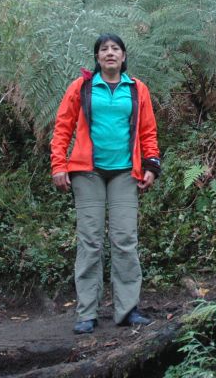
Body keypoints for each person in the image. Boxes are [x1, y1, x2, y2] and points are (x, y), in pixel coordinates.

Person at [50, 33, 161, 334]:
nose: (109, 53)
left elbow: (148, 131)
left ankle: (127, 310)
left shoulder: (136, 89)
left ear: (124, 56)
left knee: (125, 239)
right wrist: (58, 165)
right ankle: (87, 313)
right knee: (90, 241)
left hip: (125, 173)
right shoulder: (82, 87)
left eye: (115, 49)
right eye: (104, 49)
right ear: (97, 57)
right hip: (87, 173)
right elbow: (62, 128)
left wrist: (151, 165)